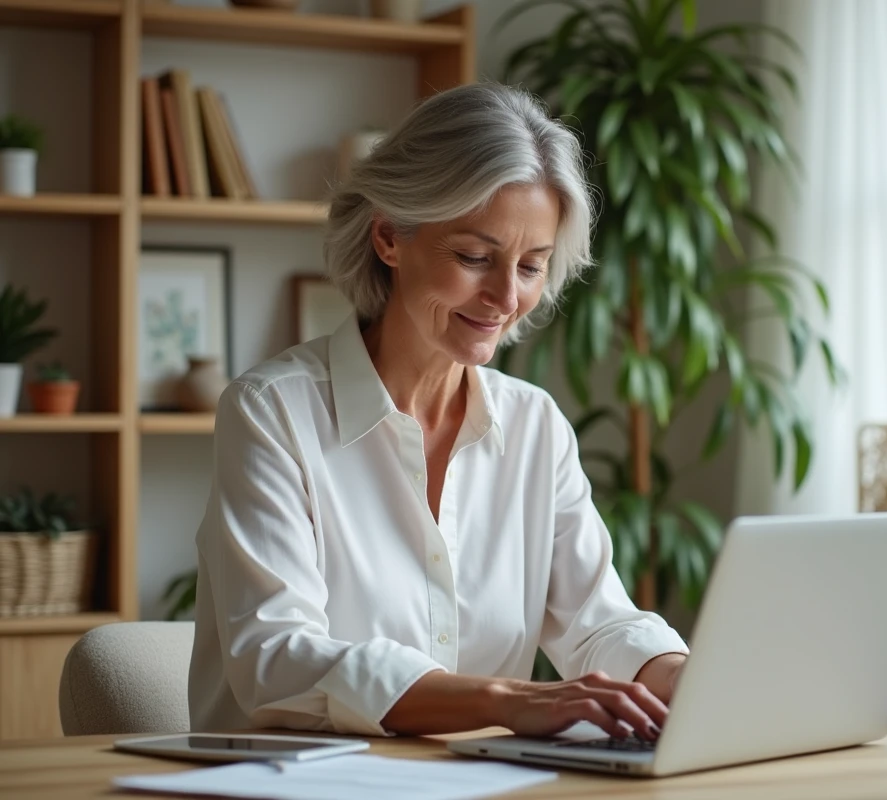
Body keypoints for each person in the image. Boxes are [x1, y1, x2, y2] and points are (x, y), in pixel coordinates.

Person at [188, 83, 688, 742]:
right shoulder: (272, 414)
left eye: (533, 266)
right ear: (390, 237)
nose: (507, 297)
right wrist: (508, 701)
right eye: (474, 257)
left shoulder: (534, 427)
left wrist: (689, 678)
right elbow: (277, 659)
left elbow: (599, 623)